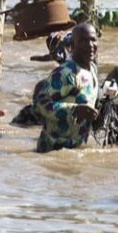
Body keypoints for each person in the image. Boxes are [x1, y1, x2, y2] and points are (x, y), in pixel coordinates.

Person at [35, 23, 99, 153]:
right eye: (83, 41)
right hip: (52, 150)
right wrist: (73, 110)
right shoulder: (63, 73)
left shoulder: (92, 69)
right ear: (72, 46)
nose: (90, 45)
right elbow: (40, 105)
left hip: (77, 148)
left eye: (93, 40)